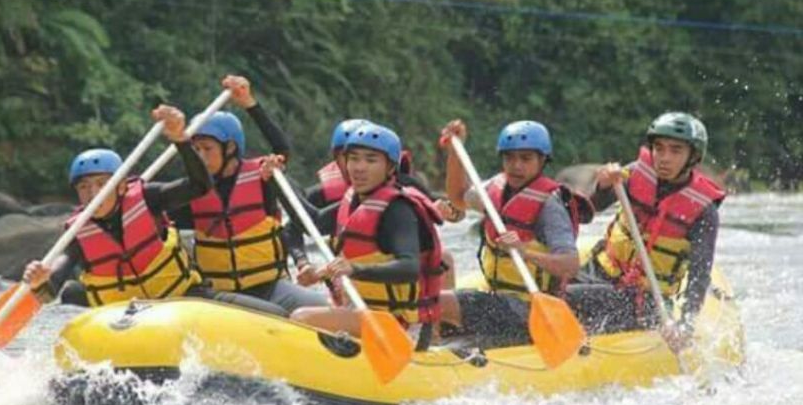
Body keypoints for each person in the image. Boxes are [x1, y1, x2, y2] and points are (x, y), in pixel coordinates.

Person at [166, 75, 329, 314]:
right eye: (195, 149)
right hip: (221, 296)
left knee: (322, 309)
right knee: (275, 316)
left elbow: (282, 149)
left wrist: (249, 103)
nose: (199, 156)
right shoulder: (192, 192)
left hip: (271, 287)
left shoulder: (263, 177)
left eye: (207, 149)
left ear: (230, 148)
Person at [22, 104, 212, 307]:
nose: (93, 193)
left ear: (121, 186)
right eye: (84, 187)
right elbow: (48, 294)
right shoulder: (78, 233)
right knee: (72, 292)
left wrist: (180, 140)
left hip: (181, 299)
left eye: (102, 184)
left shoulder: (147, 198)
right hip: (125, 317)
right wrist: (39, 284)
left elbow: (200, 186)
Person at [567, 112, 725, 352]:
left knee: (564, 298)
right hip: (597, 273)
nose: (664, 158)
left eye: (675, 151)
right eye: (659, 148)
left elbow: (699, 275)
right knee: (546, 290)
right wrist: (603, 186)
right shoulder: (633, 175)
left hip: (643, 300)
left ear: (693, 156)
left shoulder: (704, 211)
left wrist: (685, 324)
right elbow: (590, 211)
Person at [289, 123, 446, 350]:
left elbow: (409, 268)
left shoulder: (398, 210)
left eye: (371, 160)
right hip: (364, 312)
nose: (359, 167)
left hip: (401, 326)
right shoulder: (354, 200)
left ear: (390, 168)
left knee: (302, 318)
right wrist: (279, 179)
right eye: (353, 159)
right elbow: (309, 221)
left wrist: (354, 269)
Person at [437, 119, 591, 347]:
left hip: (528, 310)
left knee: (436, 302)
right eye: (510, 158)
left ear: (542, 160)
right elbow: (458, 198)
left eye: (526, 158)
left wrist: (525, 252)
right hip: (497, 297)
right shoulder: (495, 189)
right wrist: (454, 153)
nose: (516, 166)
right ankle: (436, 344)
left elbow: (570, 264)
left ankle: (426, 352)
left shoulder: (549, 205)